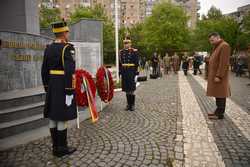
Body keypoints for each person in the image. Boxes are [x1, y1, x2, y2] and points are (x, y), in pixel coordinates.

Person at [41, 21, 77, 157]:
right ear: (63, 33)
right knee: (62, 117)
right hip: (63, 85)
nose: (68, 34)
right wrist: (69, 91)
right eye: (67, 32)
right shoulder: (67, 48)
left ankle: (55, 146)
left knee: (53, 116)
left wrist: (47, 87)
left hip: (51, 85)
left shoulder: (48, 48)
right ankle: (62, 148)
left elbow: (44, 70)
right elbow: (69, 71)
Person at [206, 32, 231, 120]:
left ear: (218, 37)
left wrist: (219, 76)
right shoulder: (217, 46)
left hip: (220, 77)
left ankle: (220, 113)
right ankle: (217, 111)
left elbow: (224, 63)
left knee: (221, 94)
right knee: (217, 94)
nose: (211, 42)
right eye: (210, 41)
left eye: (212, 40)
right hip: (215, 76)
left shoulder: (224, 46)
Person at [119, 37, 139, 111]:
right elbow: (120, 64)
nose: (126, 45)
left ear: (130, 43)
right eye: (125, 43)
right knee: (127, 89)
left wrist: (136, 74)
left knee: (131, 89)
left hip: (131, 71)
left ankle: (132, 104)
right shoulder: (121, 52)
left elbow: (137, 63)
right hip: (124, 71)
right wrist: (120, 73)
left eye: (127, 43)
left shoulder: (134, 51)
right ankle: (128, 104)